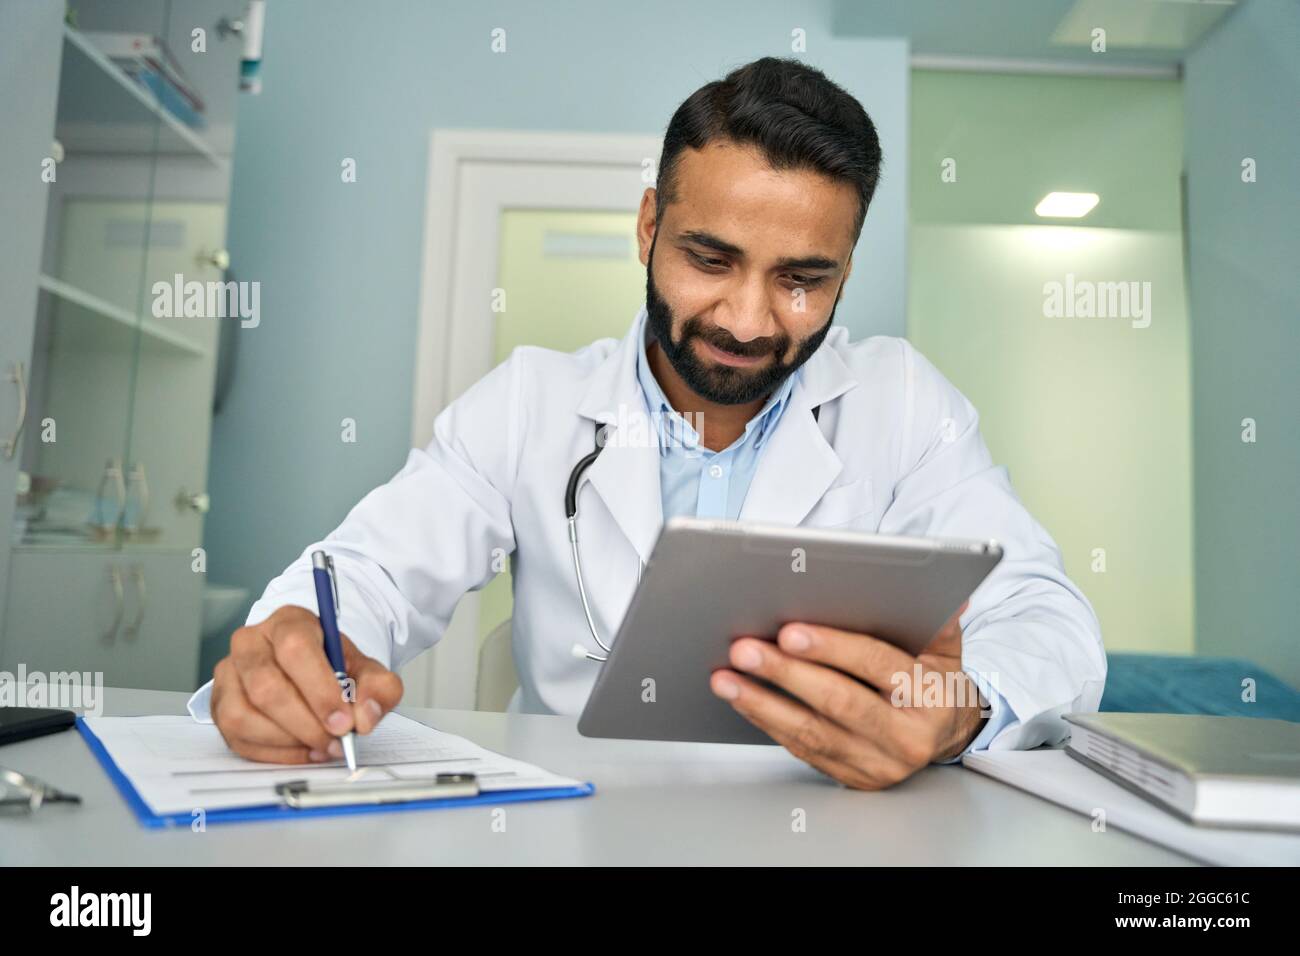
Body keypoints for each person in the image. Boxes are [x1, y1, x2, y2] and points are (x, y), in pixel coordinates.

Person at [189, 57, 1104, 790]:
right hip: (578, 826)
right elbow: (369, 576)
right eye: (711, 258)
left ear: (846, 272)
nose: (748, 320)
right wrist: (293, 655)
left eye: (802, 279)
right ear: (647, 229)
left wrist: (960, 708)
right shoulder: (530, 403)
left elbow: (1048, 619)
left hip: (825, 828)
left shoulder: (903, 403)